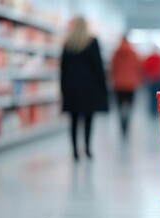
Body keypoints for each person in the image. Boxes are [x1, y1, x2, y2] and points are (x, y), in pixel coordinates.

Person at [60, 17, 108, 161]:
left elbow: (63, 69)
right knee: (88, 119)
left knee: (74, 120)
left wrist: (62, 88)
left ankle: (75, 151)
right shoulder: (92, 42)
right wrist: (103, 86)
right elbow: (98, 67)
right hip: (89, 88)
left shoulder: (68, 44)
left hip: (72, 88)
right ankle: (87, 148)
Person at [110, 36, 141, 137]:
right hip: (131, 84)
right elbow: (138, 67)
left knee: (119, 106)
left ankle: (122, 123)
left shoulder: (116, 52)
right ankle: (127, 121)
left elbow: (113, 67)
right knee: (130, 105)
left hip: (118, 84)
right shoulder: (133, 52)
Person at [142, 49, 160, 116]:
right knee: (158, 97)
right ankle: (157, 110)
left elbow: (145, 69)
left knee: (151, 97)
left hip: (150, 80)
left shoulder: (148, 59)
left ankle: (152, 111)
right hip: (159, 80)